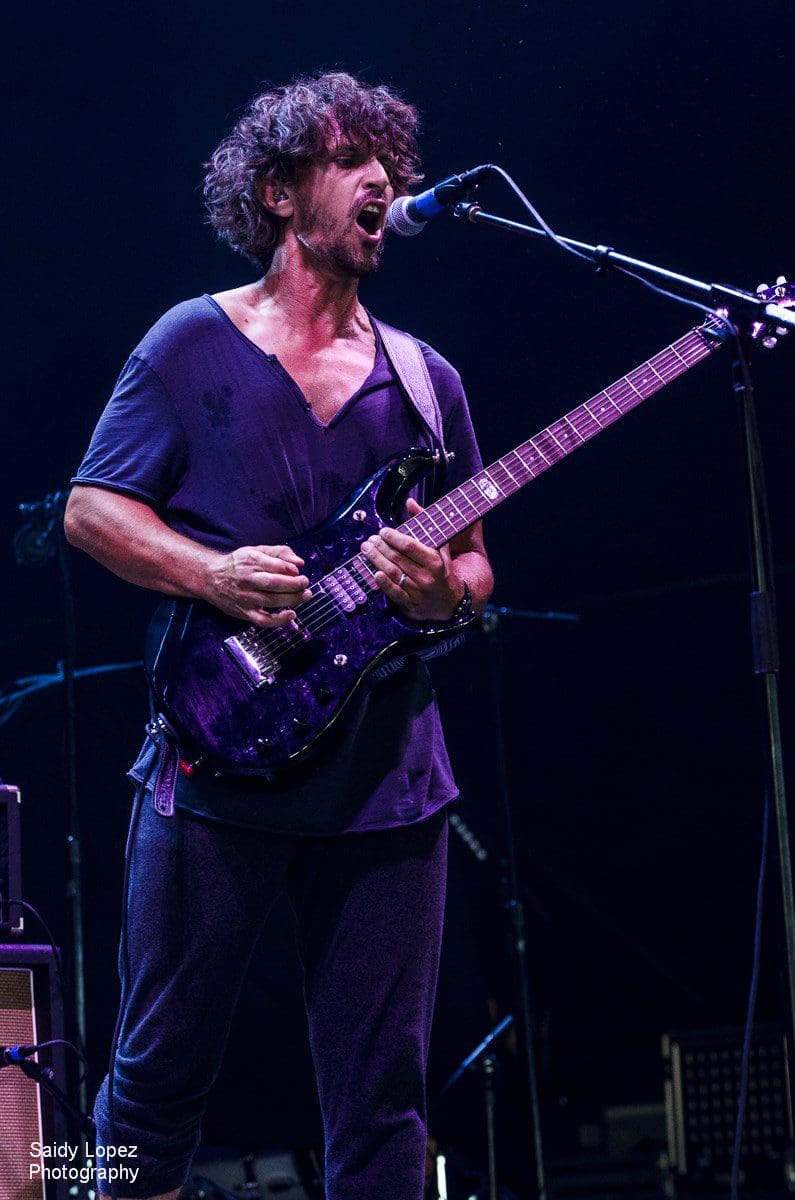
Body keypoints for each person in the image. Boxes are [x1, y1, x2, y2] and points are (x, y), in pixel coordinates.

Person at [64, 71, 494, 1200]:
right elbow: (91, 511)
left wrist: (440, 598)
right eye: (350, 159)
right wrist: (209, 572)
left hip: (389, 787)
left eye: (389, 164)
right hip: (216, 763)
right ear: (277, 192)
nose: (381, 181)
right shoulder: (189, 342)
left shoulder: (427, 380)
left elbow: (474, 564)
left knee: (384, 1105)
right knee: (153, 1082)